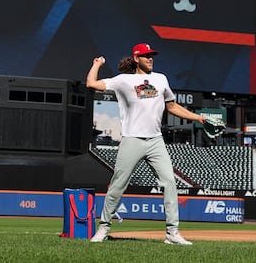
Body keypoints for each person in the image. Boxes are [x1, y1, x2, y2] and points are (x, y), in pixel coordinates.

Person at [86, 43, 209, 245]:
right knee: (118, 184)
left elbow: (172, 106)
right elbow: (91, 83)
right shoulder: (123, 80)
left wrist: (198, 118)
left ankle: (172, 233)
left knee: (169, 182)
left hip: (155, 140)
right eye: (146, 56)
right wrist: (97, 64)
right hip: (132, 138)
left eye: (152, 55)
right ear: (136, 59)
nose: (150, 58)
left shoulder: (161, 79)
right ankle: (104, 228)